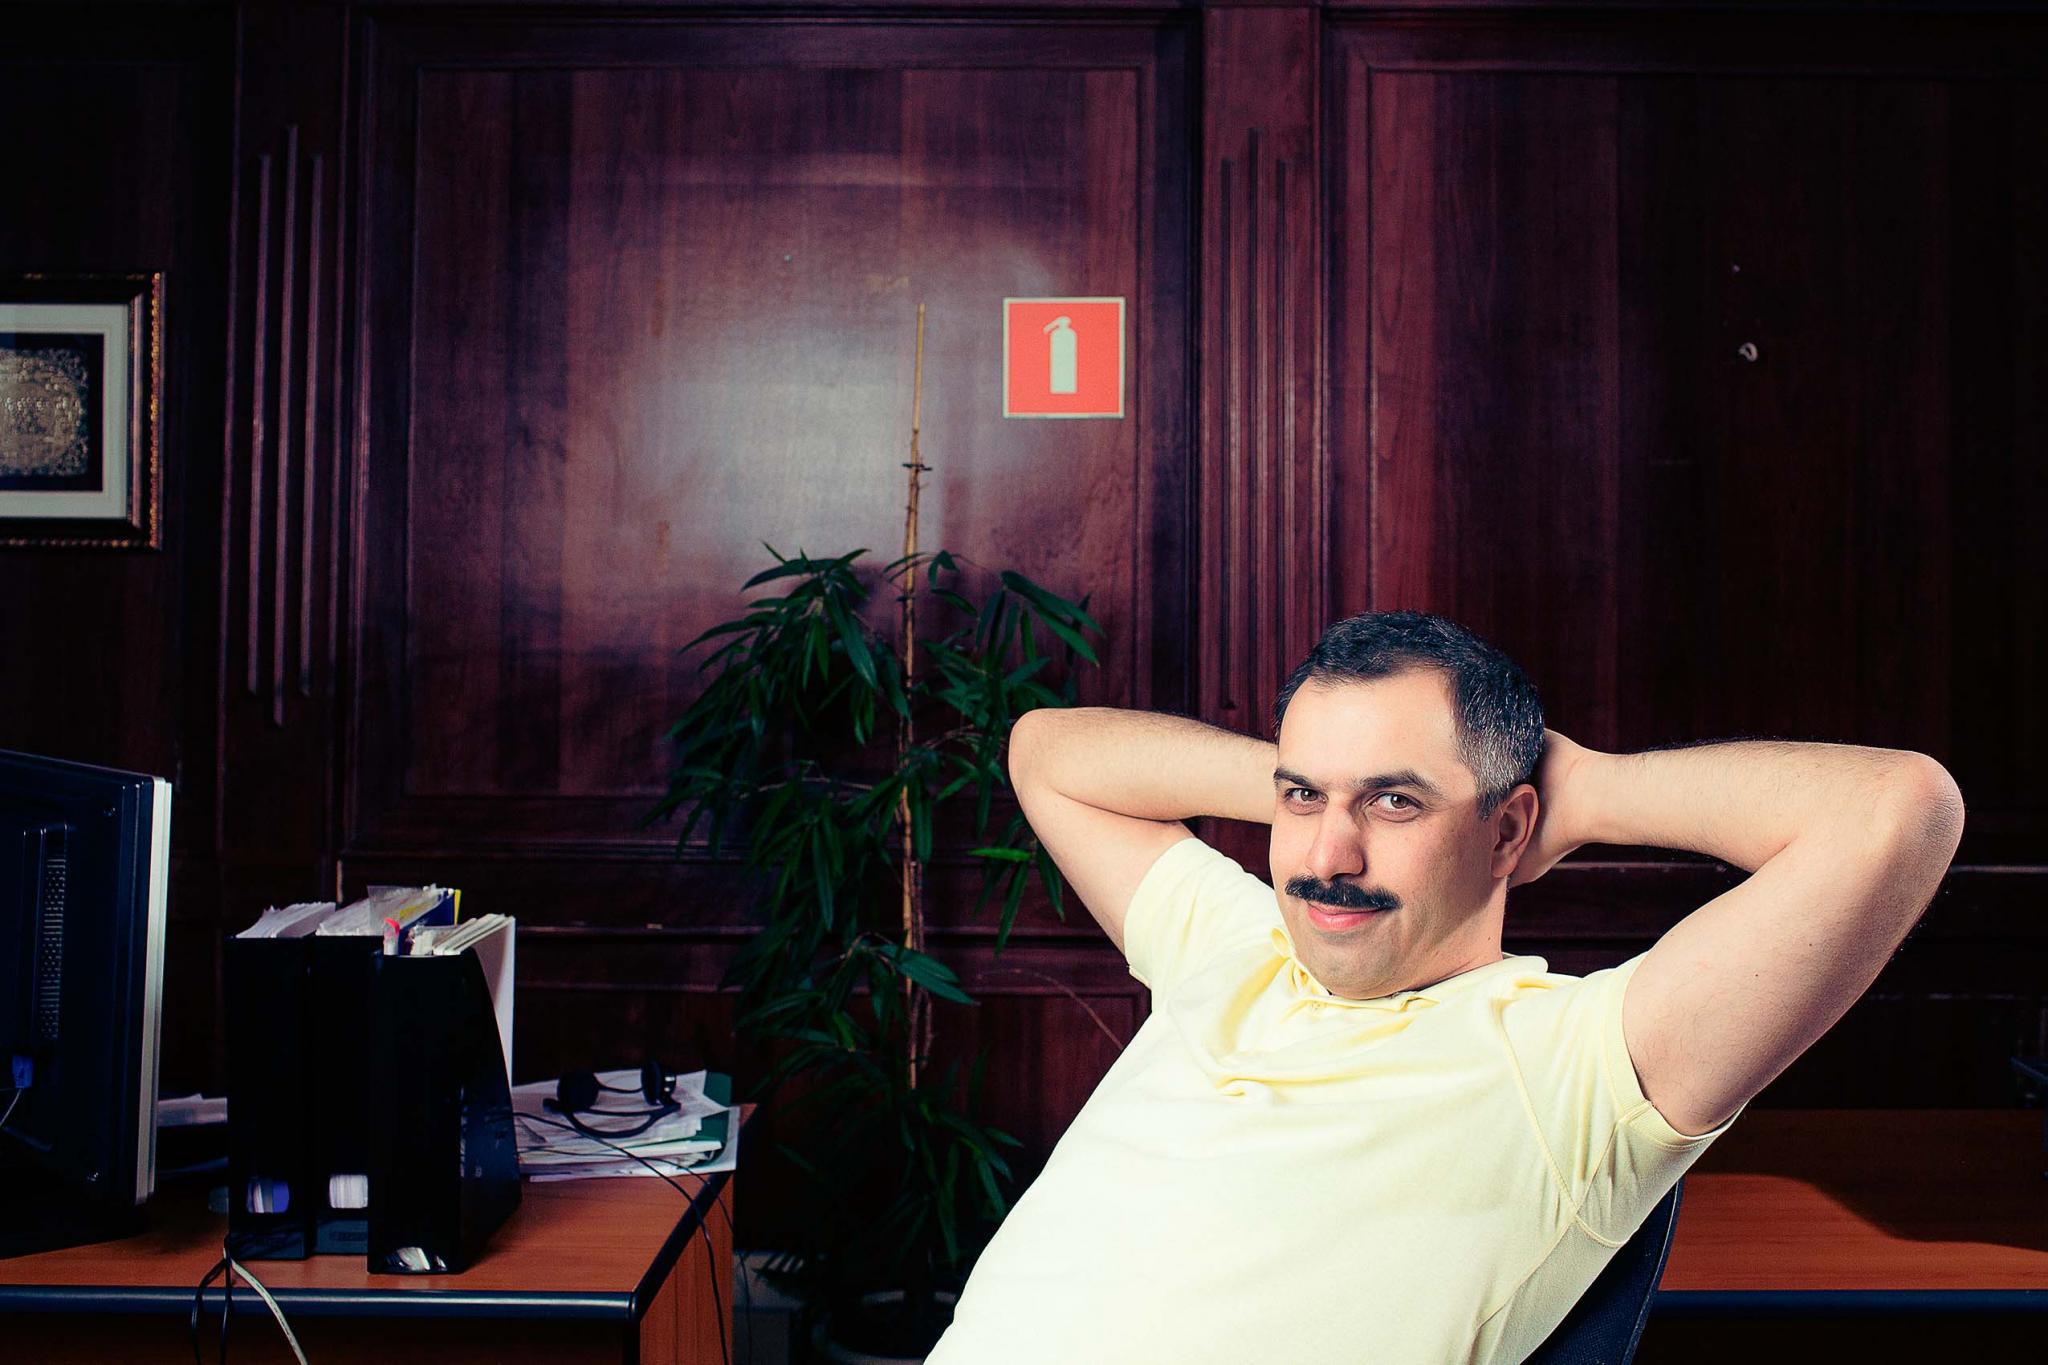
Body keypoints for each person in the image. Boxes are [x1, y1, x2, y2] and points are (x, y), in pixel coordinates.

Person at [925, 610, 1964, 1365]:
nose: (1328, 857)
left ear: (1507, 830)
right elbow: (1046, 751)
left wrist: (1585, 790)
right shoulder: (1233, 945)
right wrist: (1328, 784)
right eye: (1301, 801)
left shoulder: (1579, 1065)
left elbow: (1898, 808)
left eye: (1396, 805)